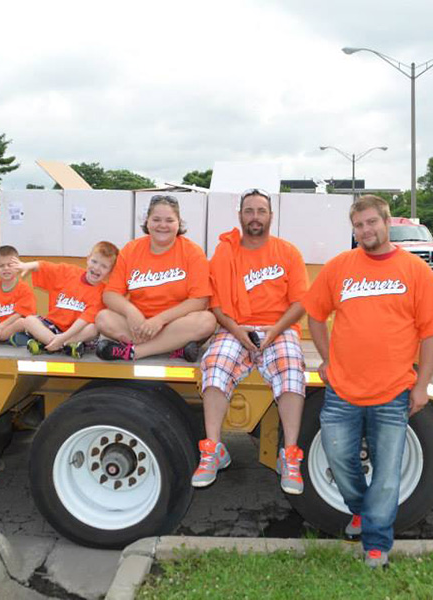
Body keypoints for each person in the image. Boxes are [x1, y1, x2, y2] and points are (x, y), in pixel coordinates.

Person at [304, 195, 433, 568]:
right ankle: (361, 508)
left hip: (393, 390)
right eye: (359, 226)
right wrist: (328, 359)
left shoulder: (415, 271)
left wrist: (422, 385)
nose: (365, 230)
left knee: (388, 472)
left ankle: (376, 543)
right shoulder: (340, 267)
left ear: (386, 222)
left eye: (371, 223)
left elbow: (428, 334)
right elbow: (315, 314)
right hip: (342, 389)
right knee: (340, 459)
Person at [194, 188, 308, 494]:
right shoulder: (224, 252)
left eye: (261, 210)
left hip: (279, 327)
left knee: (291, 370)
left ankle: (290, 455)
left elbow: (299, 303)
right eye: (249, 211)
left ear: (271, 215)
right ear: (240, 215)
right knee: (215, 365)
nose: (255, 217)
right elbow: (216, 306)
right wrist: (237, 331)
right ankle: (213, 450)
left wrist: (274, 330)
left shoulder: (287, 252)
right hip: (235, 326)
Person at [95, 195, 216, 361]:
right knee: (103, 318)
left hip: (176, 325)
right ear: (147, 222)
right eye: (156, 219)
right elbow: (110, 294)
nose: (162, 225)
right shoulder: (131, 249)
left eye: (169, 220)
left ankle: (135, 352)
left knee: (206, 321)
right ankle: (172, 348)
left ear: (178, 223)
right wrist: (131, 312)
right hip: (139, 325)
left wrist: (160, 320)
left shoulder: (192, 252)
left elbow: (199, 301)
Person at [12, 241, 120, 358]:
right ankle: (65, 346)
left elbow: (84, 320)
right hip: (53, 327)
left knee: (93, 328)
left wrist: (63, 338)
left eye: (104, 266)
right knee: (29, 320)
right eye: (94, 261)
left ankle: (49, 344)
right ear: (88, 259)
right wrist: (28, 265)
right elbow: (46, 267)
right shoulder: (69, 272)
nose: (97, 268)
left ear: (110, 271)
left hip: (77, 333)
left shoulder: (103, 293)